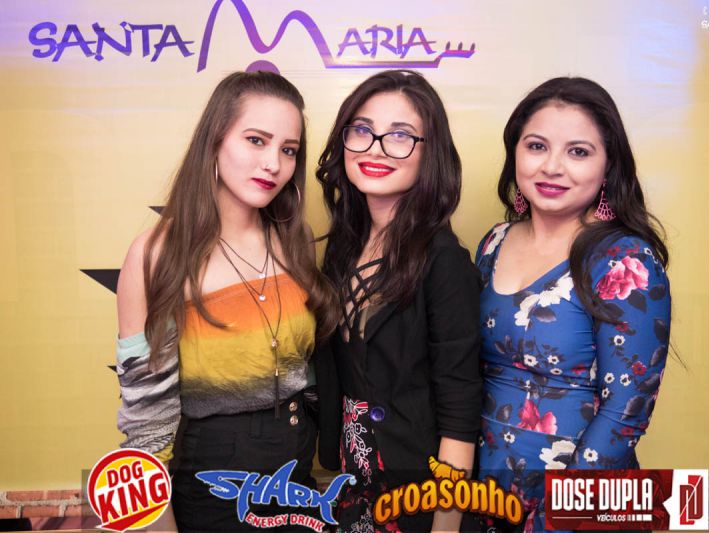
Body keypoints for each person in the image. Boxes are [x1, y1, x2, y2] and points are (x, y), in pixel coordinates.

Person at [115, 71, 338, 531]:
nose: (273, 163)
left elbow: (308, 371)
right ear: (215, 140)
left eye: (288, 150)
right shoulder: (158, 254)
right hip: (215, 486)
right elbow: (146, 429)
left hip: (297, 476)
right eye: (256, 140)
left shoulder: (293, 241)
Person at [474, 77, 672, 532]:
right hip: (485, 493)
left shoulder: (623, 259)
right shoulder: (493, 242)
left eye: (578, 152)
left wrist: (558, 517)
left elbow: (626, 410)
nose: (552, 167)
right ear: (515, 152)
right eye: (536, 146)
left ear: (608, 166)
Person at [314, 70, 483, 532]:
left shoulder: (444, 260)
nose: (375, 148)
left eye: (401, 136)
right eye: (362, 130)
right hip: (356, 482)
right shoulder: (344, 246)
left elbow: (460, 411)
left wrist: (445, 526)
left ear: (431, 153)